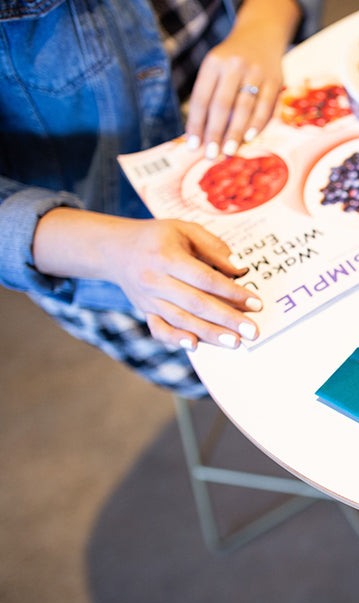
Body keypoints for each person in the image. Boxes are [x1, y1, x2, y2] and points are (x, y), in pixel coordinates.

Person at [0, 0, 319, 398]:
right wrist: (111, 249)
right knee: (274, 390)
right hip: (106, 242)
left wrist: (266, 20)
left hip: (265, 113)